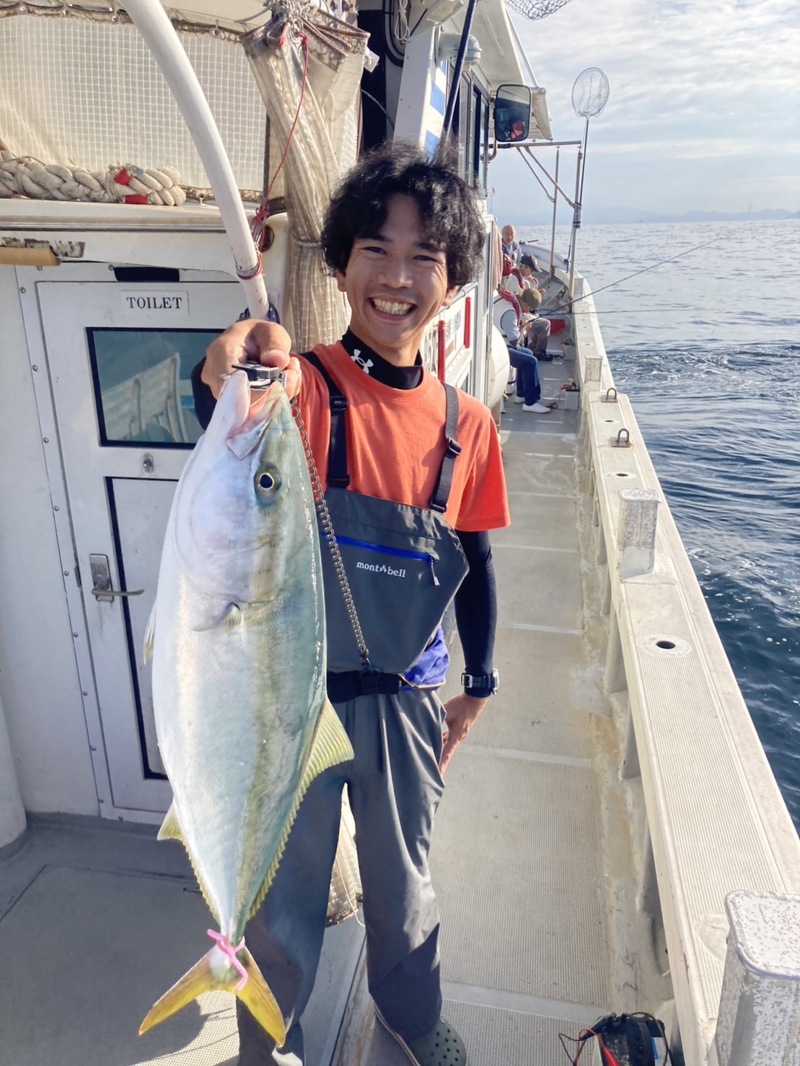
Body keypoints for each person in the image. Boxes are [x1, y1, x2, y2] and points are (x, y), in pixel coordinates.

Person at [193, 142, 509, 1066]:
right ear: (340, 266)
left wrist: (480, 683)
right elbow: (234, 401)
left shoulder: (468, 425)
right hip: (291, 701)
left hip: (409, 703)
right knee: (281, 902)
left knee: (404, 887)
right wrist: (227, 368)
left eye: (424, 258)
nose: (397, 277)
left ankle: (412, 1018)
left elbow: (477, 562)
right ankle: (267, 1040)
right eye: (376, 250)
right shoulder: (305, 388)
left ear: (452, 283)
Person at [492, 273, 552, 413]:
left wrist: (520, 326)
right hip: (500, 349)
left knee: (528, 353)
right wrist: (524, 328)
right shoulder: (510, 313)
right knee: (531, 361)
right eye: (529, 309)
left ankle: (521, 394)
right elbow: (514, 341)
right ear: (526, 304)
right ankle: (530, 402)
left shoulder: (508, 300)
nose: (528, 311)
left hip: (498, 342)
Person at [519, 285, 552, 362]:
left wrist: (537, 295)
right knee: (545, 324)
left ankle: (533, 347)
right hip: (521, 317)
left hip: (523, 314)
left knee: (537, 318)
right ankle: (539, 353)